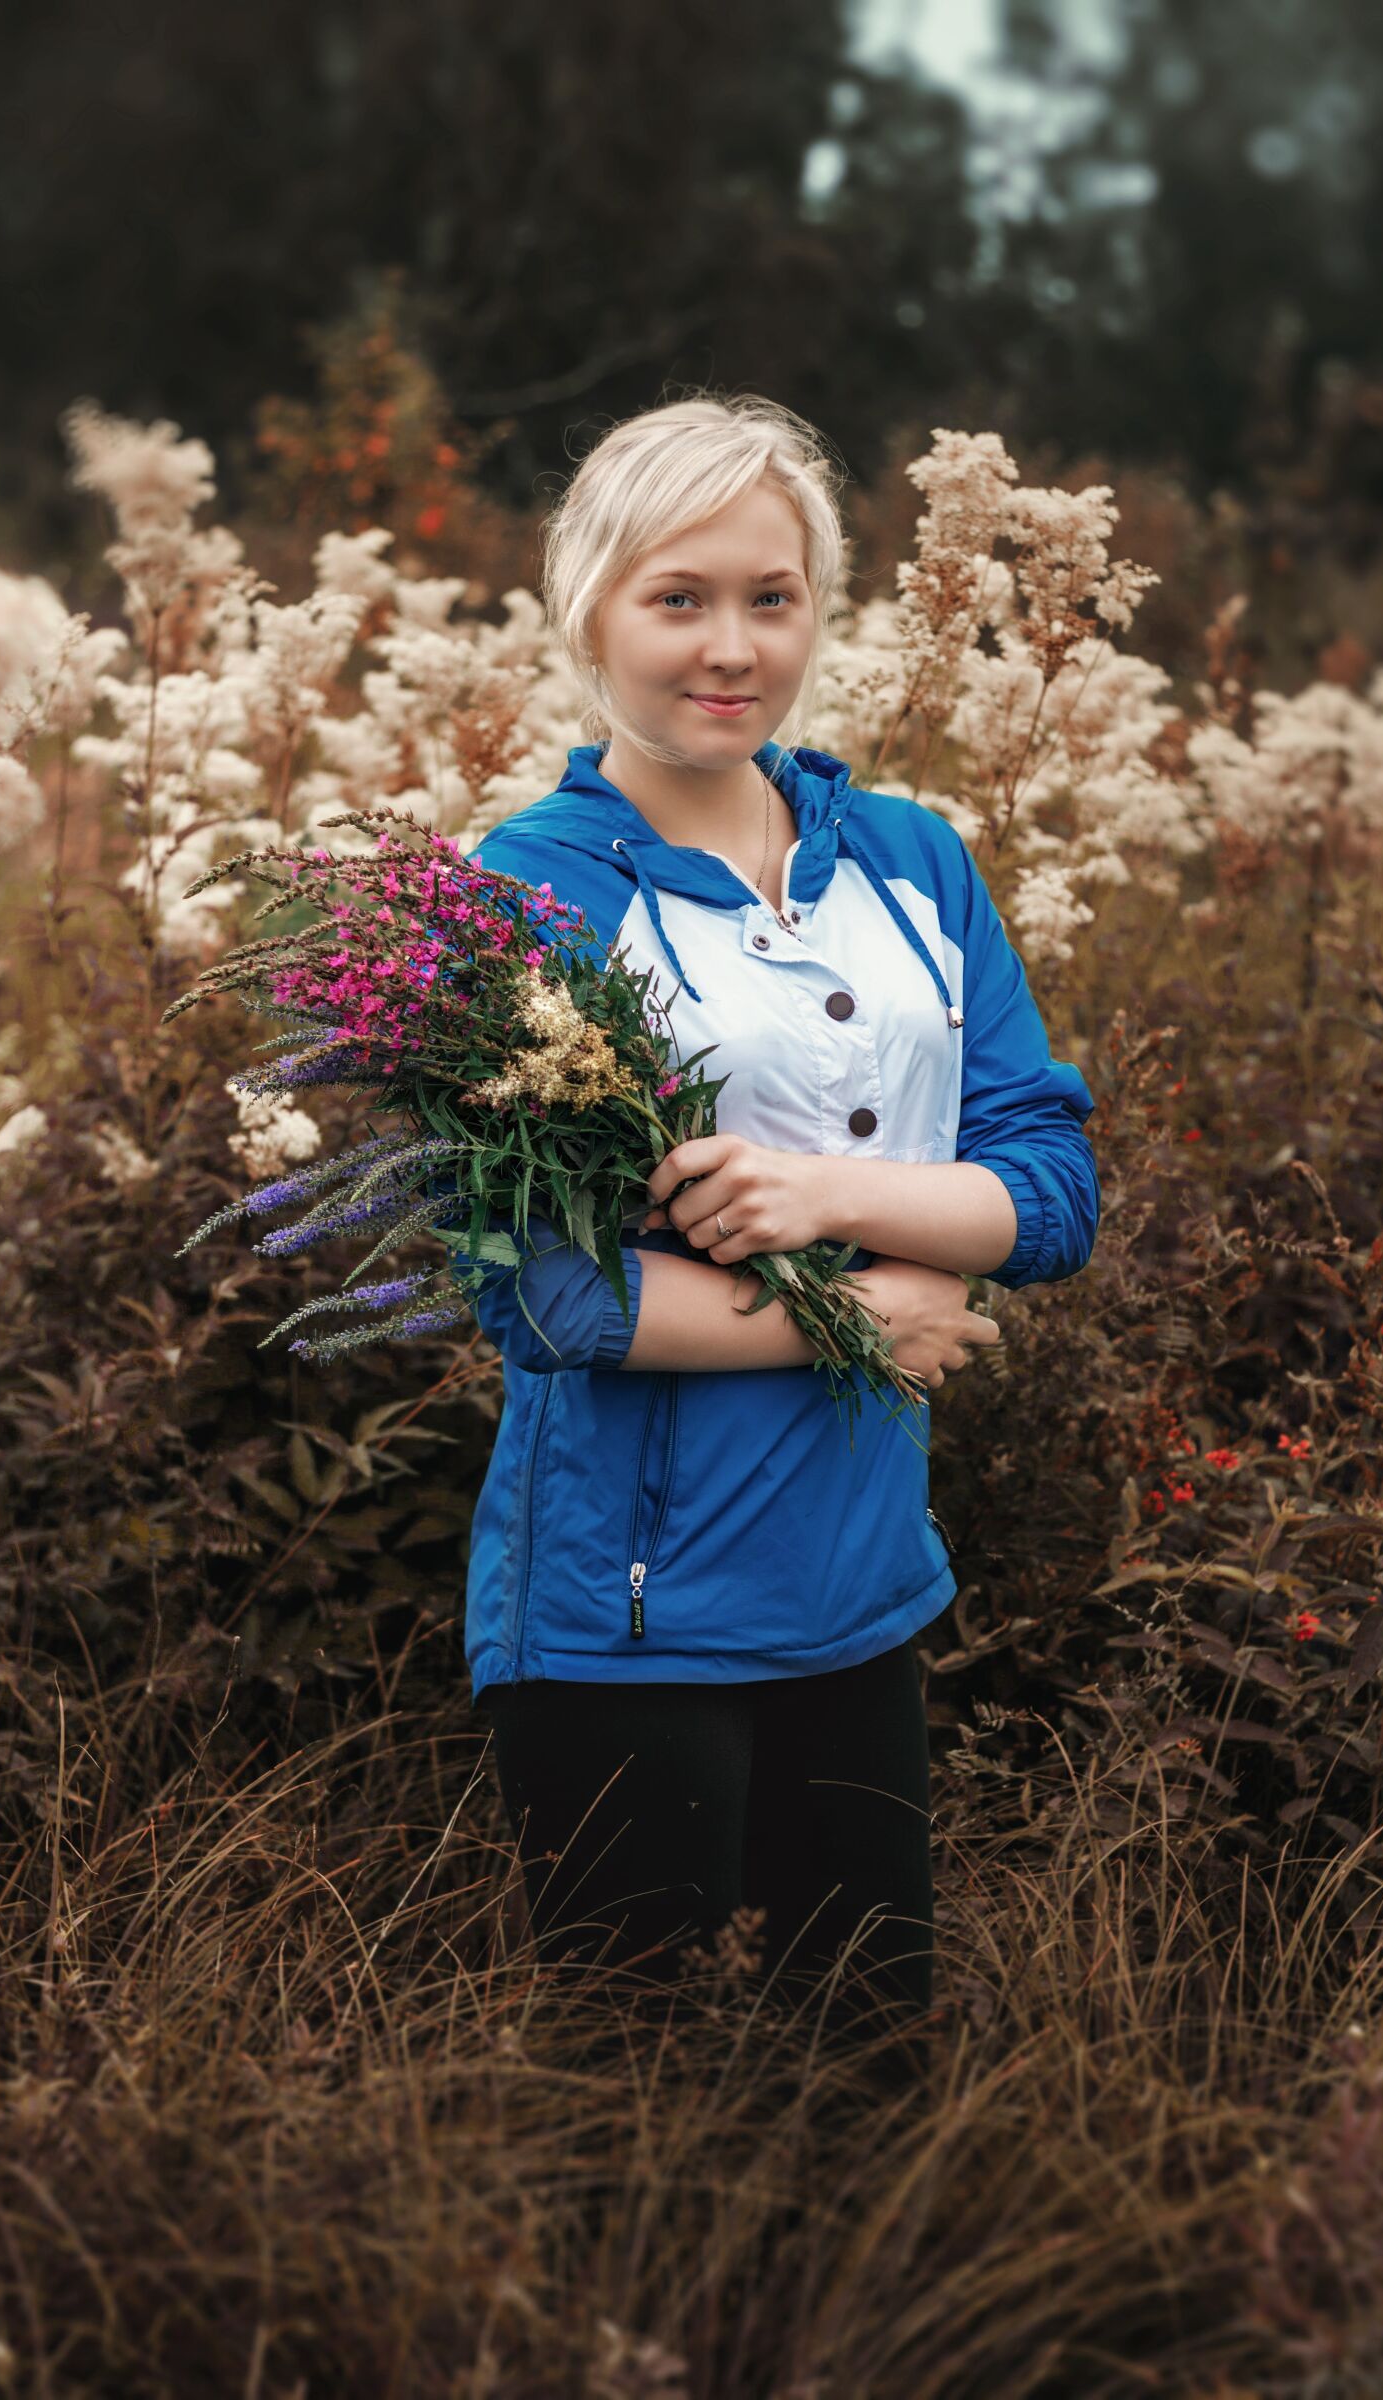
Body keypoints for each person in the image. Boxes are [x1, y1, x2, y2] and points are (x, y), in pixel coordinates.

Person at [447, 392, 1099, 2063]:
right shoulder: (521, 893)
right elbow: (547, 1294)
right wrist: (864, 1318)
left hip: (863, 1580)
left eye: (773, 596)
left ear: (822, 605)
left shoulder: (913, 861)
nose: (730, 648)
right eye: (678, 599)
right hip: (624, 1609)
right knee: (632, 2095)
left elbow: (1047, 1190)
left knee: (864, 2066)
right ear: (587, 607)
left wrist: (831, 1202)